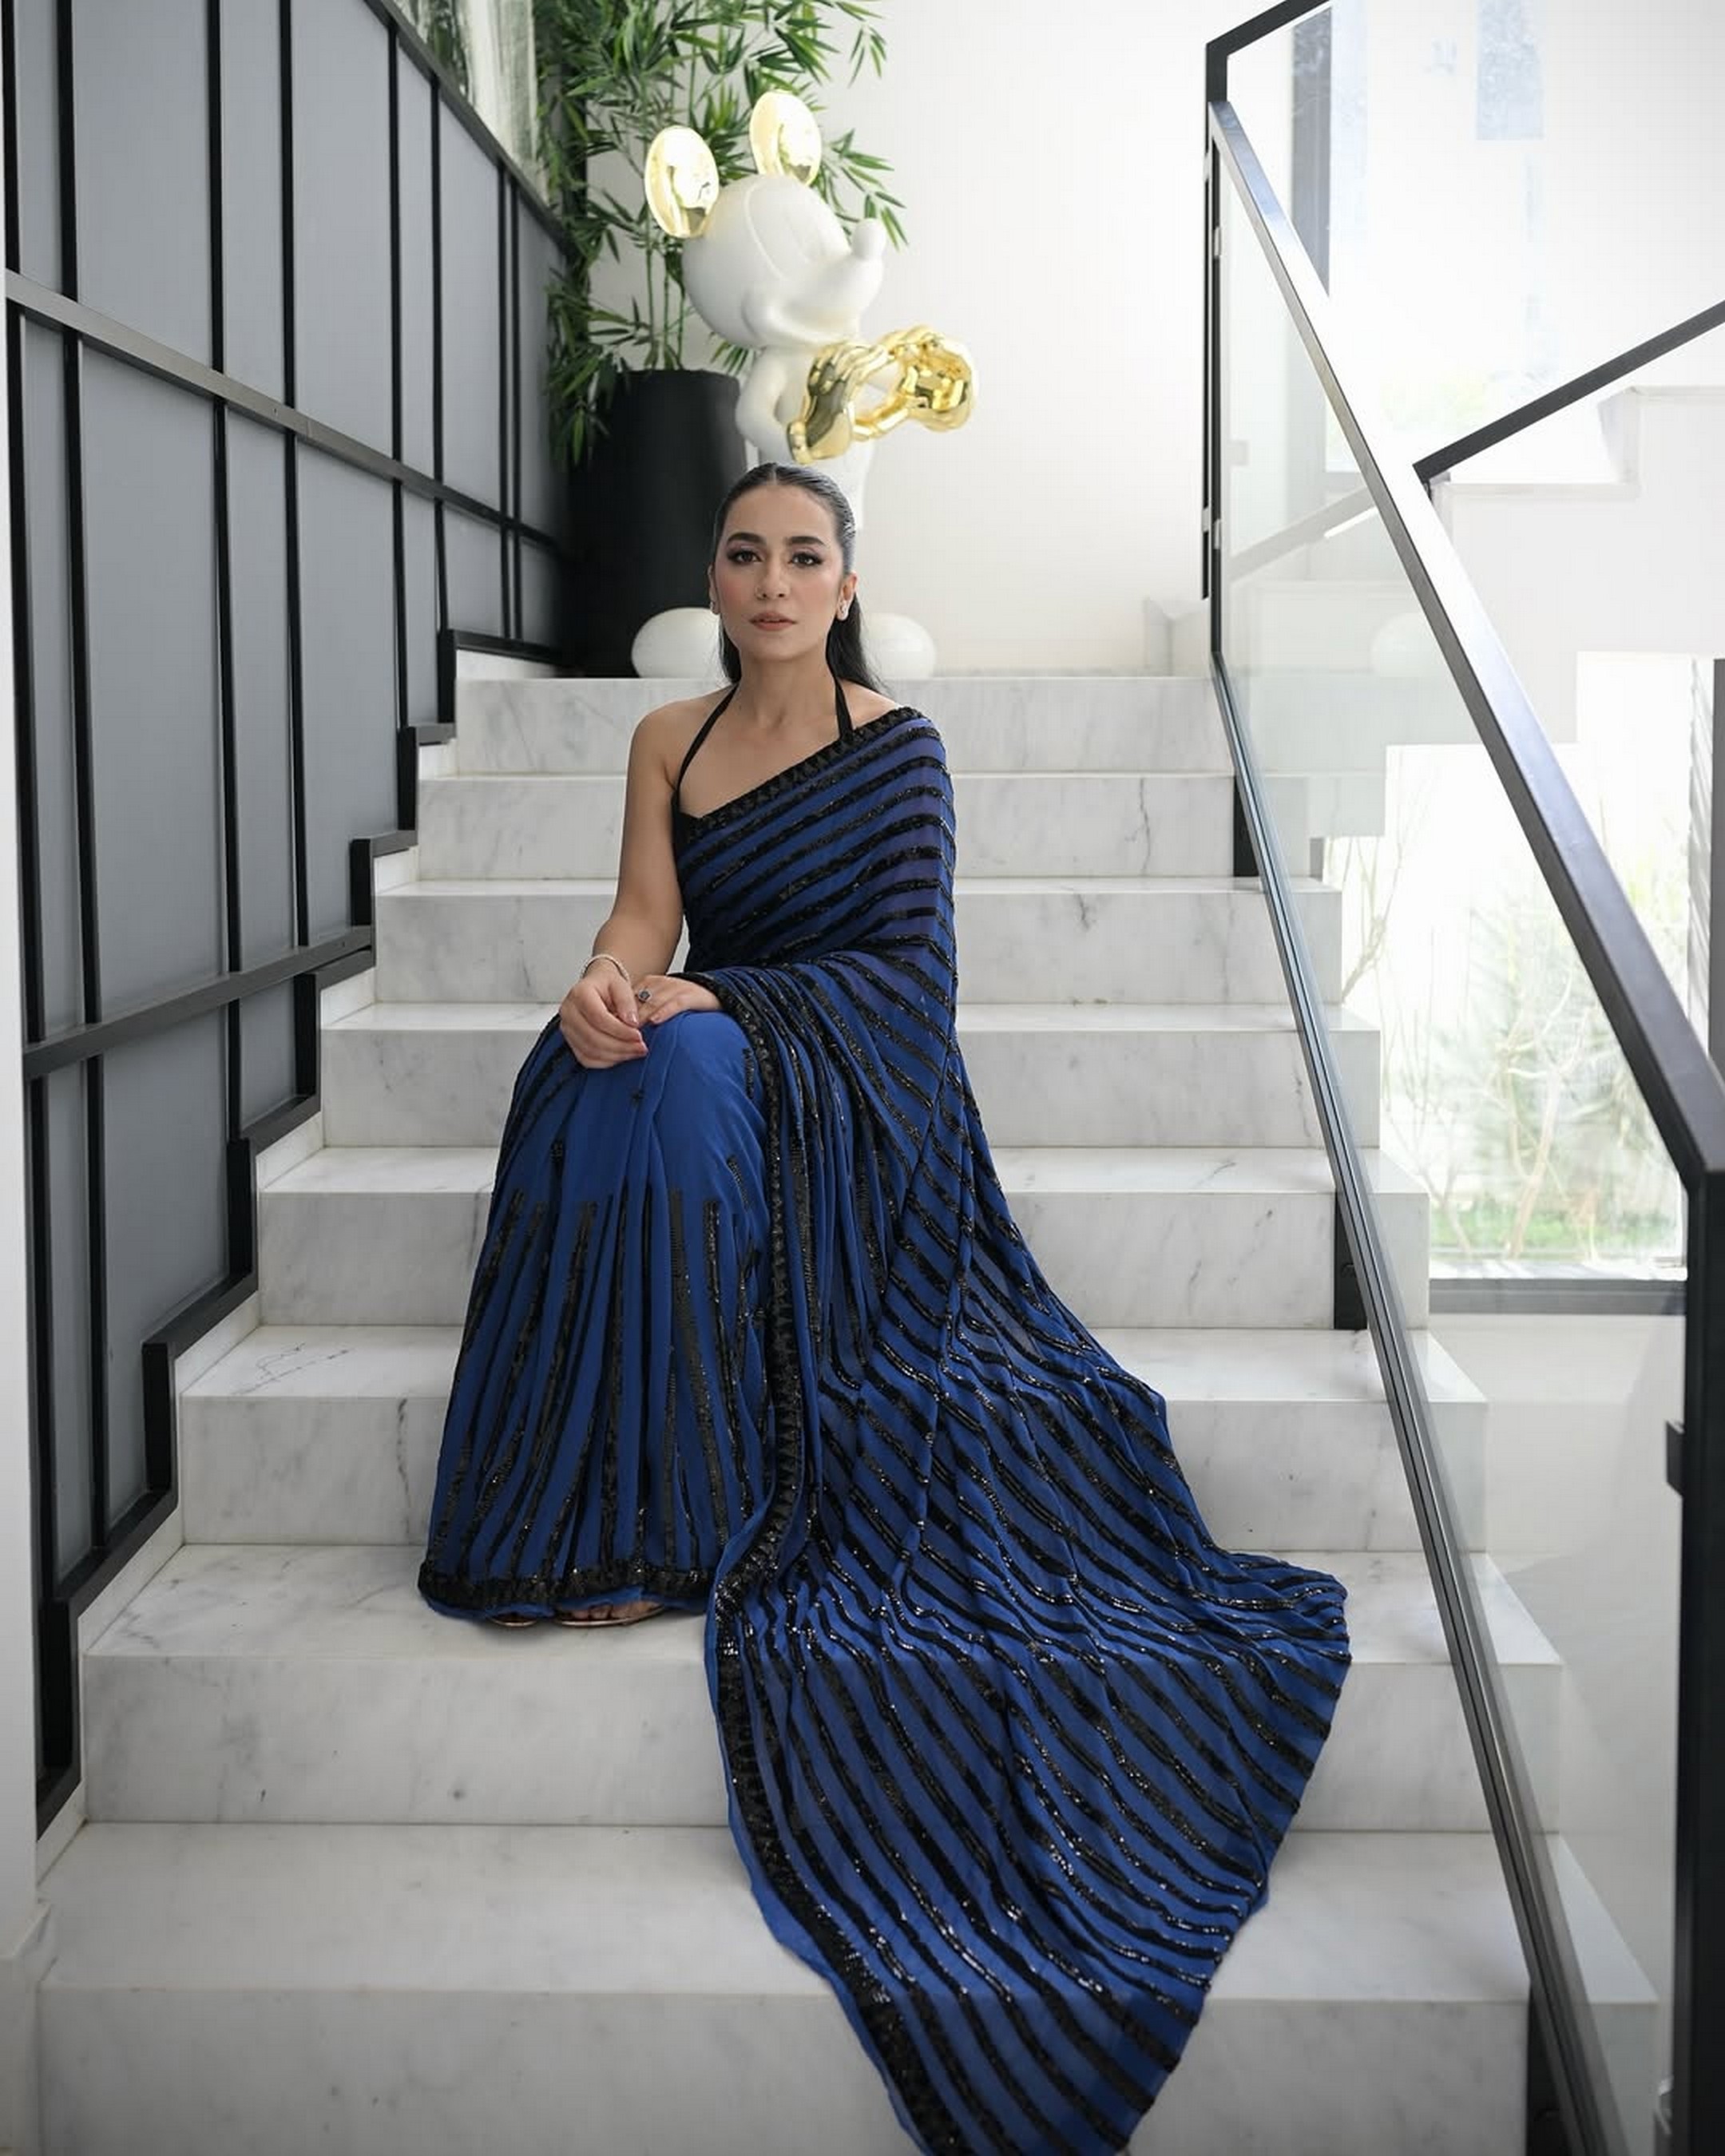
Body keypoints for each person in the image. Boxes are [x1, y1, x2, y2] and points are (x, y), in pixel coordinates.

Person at [418, 459, 1351, 2156]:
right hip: (716, 1037)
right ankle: (602, 1511)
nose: (773, 582)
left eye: (805, 557)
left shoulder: (898, 749)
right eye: (745, 554)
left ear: (847, 587)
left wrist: (717, 1002)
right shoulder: (667, 741)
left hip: (862, 1091)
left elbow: (912, 982)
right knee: (586, 1072)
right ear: (716, 581)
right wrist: (607, 981)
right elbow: (645, 915)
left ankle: (697, 1510)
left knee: (690, 1070)